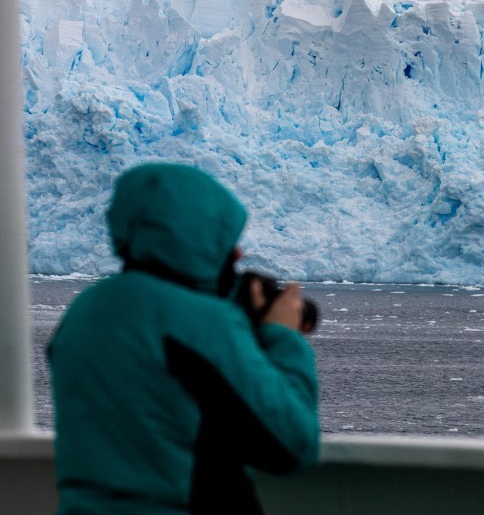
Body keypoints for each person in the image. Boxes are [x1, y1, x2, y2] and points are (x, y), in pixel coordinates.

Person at [48, 163, 320, 514]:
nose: (238, 255)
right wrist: (282, 334)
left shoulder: (86, 309)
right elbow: (293, 445)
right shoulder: (201, 323)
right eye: (224, 240)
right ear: (194, 239)